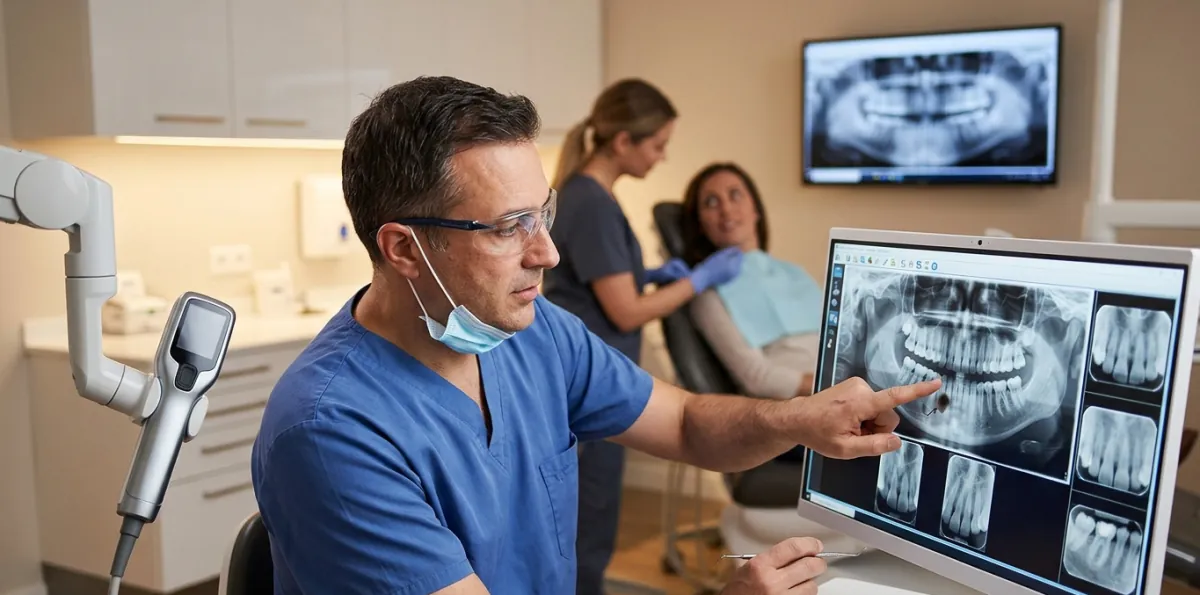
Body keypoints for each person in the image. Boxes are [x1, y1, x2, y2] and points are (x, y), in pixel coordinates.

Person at [250, 75, 943, 595]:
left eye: (541, 214)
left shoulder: (534, 332)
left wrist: (800, 419)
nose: (547, 253)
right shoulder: (332, 431)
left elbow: (690, 423)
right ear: (403, 249)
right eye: (506, 227)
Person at [542, 78, 744, 595]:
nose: (662, 156)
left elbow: (601, 283)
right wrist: (697, 280)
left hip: (597, 376)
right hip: (588, 383)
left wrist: (651, 275)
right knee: (590, 512)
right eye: (657, 145)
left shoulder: (595, 196)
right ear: (623, 141)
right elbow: (626, 312)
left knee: (595, 508)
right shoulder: (588, 202)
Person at [681, 162, 825, 401]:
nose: (726, 209)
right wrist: (830, 389)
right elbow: (757, 378)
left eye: (735, 195)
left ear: (755, 208)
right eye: (711, 202)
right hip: (798, 407)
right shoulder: (708, 294)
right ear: (700, 224)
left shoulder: (796, 273)